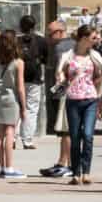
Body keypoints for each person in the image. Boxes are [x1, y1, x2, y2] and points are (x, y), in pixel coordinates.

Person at [57, 23, 102, 185]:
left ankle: (86, 172)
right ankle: (76, 172)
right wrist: (61, 78)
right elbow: (60, 71)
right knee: (74, 136)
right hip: (72, 99)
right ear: (84, 38)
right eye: (93, 37)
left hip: (90, 99)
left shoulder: (94, 55)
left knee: (87, 135)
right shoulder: (68, 55)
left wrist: (100, 82)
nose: (96, 40)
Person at [39, 19, 75, 178]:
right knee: (65, 131)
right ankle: (62, 162)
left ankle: (68, 164)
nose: (47, 37)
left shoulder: (60, 48)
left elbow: (62, 76)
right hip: (72, 93)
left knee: (66, 130)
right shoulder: (72, 45)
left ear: (60, 32)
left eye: (50, 33)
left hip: (65, 95)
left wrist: (56, 94)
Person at [0, 31, 26, 179]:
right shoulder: (18, 63)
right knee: (10, 132)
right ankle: (9, 168)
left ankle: (2, 167)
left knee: (0, 132)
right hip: (12, 99)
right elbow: (20, 87)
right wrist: (24, 107)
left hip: (1, 97)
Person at [15, 14, 47, 150]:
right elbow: (46, 59)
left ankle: (12, 137)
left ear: (20, 26)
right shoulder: (41, 40)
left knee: (17, 107)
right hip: (34, 79)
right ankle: (27, 140)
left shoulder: (15, 40)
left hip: (17, 78)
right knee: (31, 109)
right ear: (34, 26)